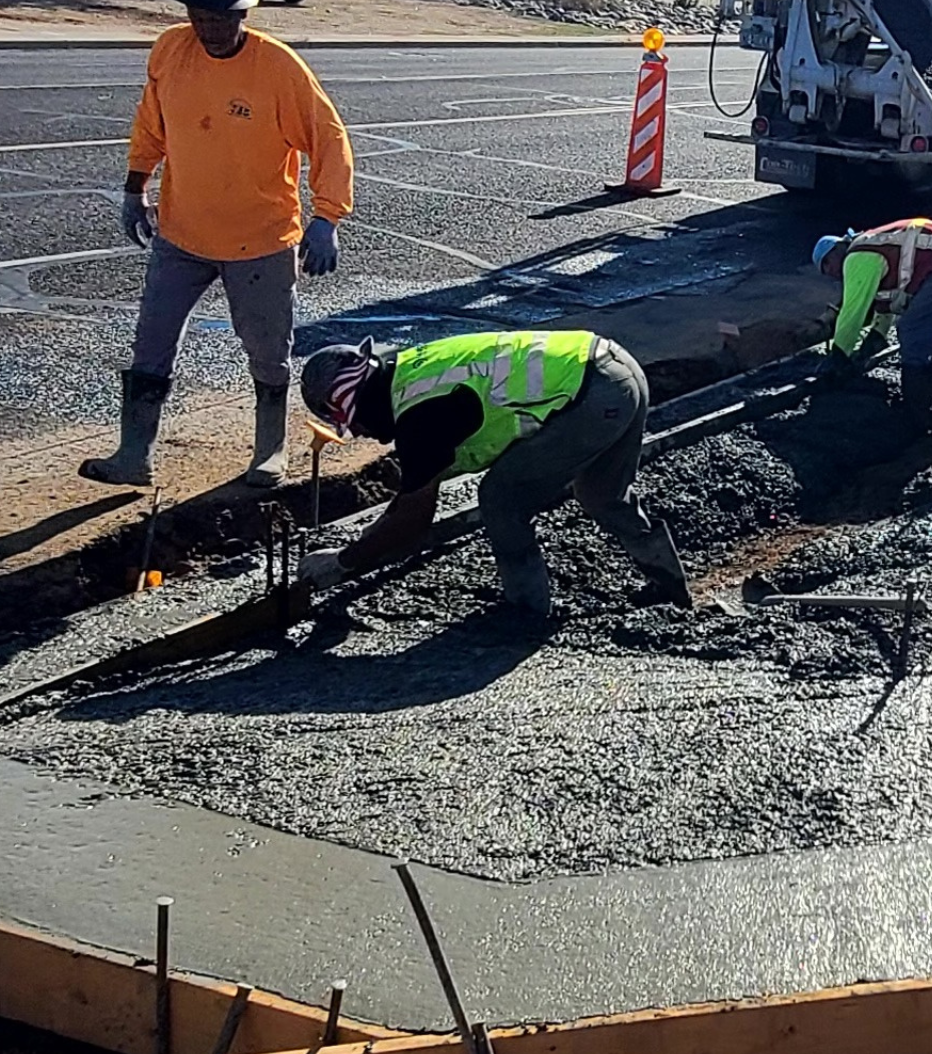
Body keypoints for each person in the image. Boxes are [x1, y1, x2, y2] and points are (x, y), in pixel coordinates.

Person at [81, 0, 354, 489]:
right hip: (182, 233)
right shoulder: (171, 50)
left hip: (260, 240)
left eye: (223, 18)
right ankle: (133, 454)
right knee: (151, 342)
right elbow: (151, 124)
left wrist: (327, 217)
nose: (211, 29)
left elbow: (329, 138)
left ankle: (270, 451)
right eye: (201, 17)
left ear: (243, 16)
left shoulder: (277, 67)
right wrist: (133, 189)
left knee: (267, 350)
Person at [294, 331, 692, 616]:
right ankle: (671, 586)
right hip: (615, 367)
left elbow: (414, 518)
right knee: (604, 495)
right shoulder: (411, 373)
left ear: (350, 402)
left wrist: (344, 562)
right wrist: (366, 543)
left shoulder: (419, 416)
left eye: (353, 424)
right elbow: (413, 493)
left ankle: (525, 611)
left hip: (592, 398)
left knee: (501, 498)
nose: (362, 434)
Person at [812, 217, 932, 431]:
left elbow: (853, 311)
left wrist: (839, 355)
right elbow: (884, 307)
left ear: (836, 251)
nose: (831, 273)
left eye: (827, 265)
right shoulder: (876, 249)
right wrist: (876, 338)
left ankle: (915, 418)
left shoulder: (857, 255)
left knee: (910, 329)